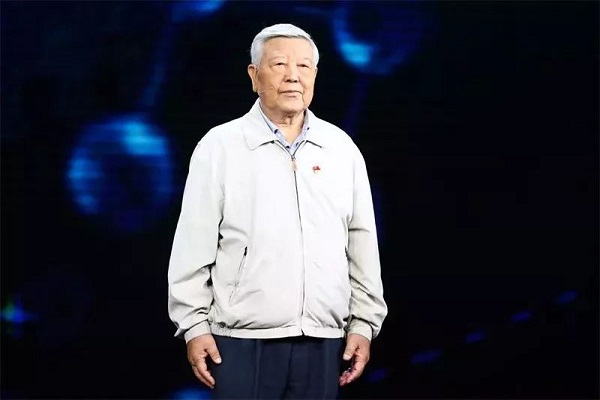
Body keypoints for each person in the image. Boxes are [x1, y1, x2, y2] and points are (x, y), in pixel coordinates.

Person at [167, 23, 387, 399]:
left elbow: (361, 241)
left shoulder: (341, 148)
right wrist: (194, 326)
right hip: (239, 340)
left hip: (324, 338)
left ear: (315, 76)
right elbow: (193, 241)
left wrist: (364, 323)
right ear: (254, 76)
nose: (292, 76)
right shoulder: (220, 146)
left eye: (303, 66)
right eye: (280, 64)